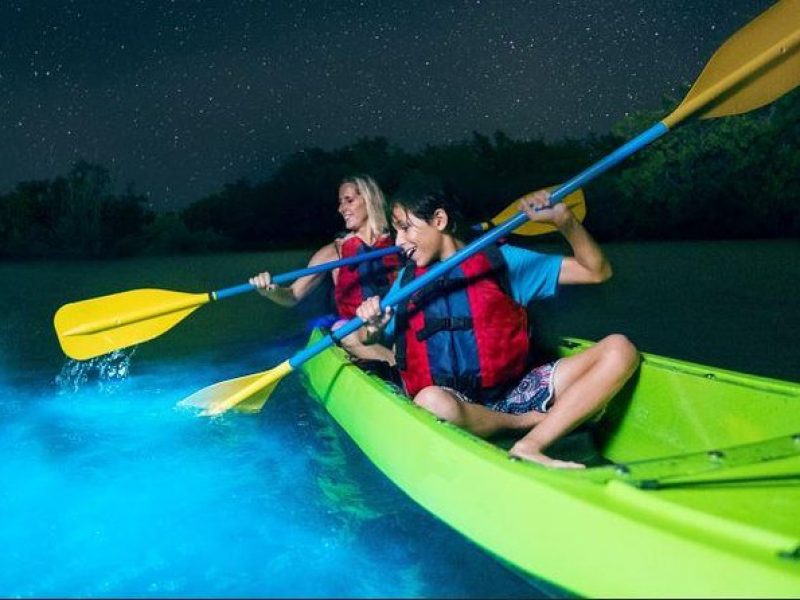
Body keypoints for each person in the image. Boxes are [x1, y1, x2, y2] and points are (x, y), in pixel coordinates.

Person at [355, 187, 639, 469]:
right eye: (396, 231)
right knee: (431, 401)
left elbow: (596, 271)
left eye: (406, 228)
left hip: (514, 393)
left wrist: (565, 222)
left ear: (439, 221)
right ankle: (526, 423)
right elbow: (368, 338)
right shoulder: (407, 282)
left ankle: (530, 444)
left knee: (620, 349)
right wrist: (372, 327)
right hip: (457, 404)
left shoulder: (502, 262)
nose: (399, 241)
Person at [250, 174, 400, 365]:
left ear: (370, 199)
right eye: (340, 202)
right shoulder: (334, 252)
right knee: (342, 331)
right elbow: (293, 295)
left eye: (349, 200)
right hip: (357, 330)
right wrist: (270, 290)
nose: (341, 209)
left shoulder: (398, 243)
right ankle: (399, 367)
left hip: (393, 324)